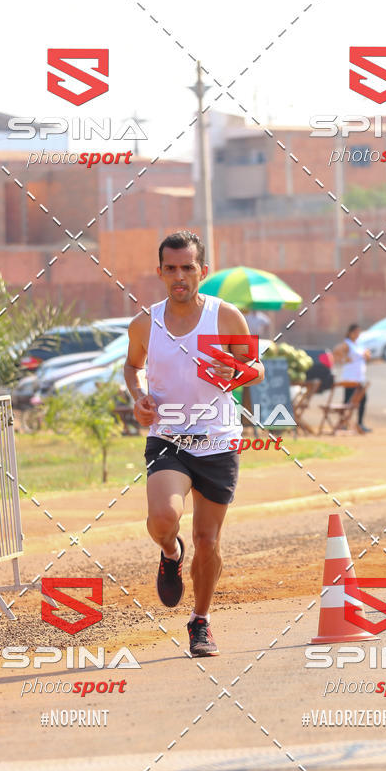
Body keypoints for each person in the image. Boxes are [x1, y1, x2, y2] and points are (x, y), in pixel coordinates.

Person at [124, 230, 265, 657]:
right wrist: (139, 398)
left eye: (188, 267)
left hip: (219, 440)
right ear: (160, 272)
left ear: (202, 270)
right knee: (164, 517)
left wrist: (236, 374)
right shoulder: (145, 323)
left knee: (208, 541)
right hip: (168, 437)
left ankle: (200, 622)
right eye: (171, 268)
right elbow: (132, 368)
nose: (180, 276)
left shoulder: (225, 317)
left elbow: (255, 366)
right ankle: (169, 552)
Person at [334, 324, 371, 433]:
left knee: (362, 400)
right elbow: (336, 352)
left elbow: (368, 353)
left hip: (360, 377)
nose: (357, 334)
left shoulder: (359, 344)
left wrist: (367, 355)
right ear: (350, 333)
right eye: (355, 332)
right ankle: (344, 423)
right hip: (350, 377)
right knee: (348, 401)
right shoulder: (347, 344)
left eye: (358, 332)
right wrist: (344, 359)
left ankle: (360, 423)